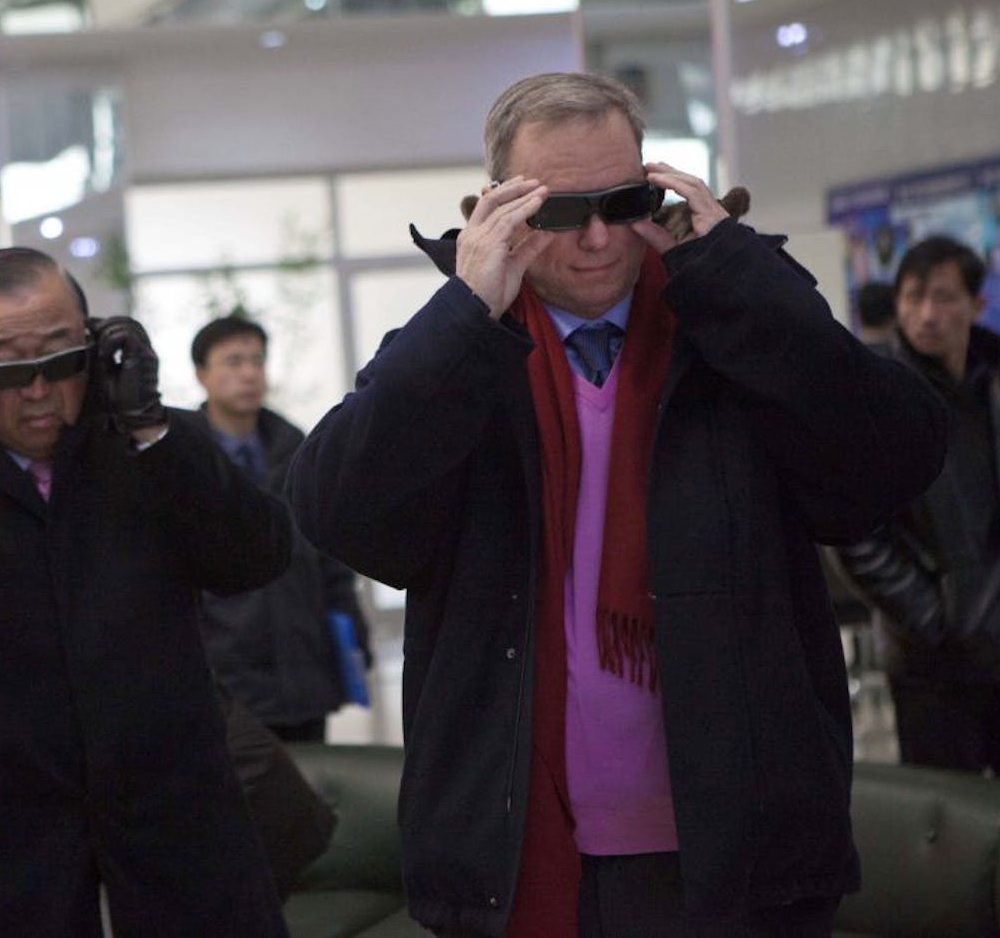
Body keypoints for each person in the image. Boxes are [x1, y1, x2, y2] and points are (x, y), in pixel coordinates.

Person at [285, 72, 949, 936]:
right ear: (500, 210)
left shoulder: (730, 322)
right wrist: (464, 314)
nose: (600, 239)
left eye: (623, 201)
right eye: (562, 213)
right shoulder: (461, 350)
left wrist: (739, 279)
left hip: (741, 850)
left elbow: (892, 463)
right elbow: (335, 510)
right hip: (517, 848)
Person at [0, 247, 292, 936]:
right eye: (8, 370)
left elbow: (256, 555)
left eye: (59, 363)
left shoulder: (156, 448)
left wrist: (150, 427)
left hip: (179, 821)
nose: (37, 392)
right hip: (2, 838)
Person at [837, 235, 1000, 784]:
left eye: (943, 297)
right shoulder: (882, 391)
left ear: (976, 305)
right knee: (951, 839)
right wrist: (928, 615)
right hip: (937, 665)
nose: (926, 314)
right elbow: (852, 529)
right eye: (913, 297)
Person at [183, 314, 370, 743]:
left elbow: (330, 560)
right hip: (224, 686)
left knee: (309, 802)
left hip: (302, 678)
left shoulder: (296, 449)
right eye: (233, 361)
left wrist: (351, 641)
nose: (249, 373)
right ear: (201, 375)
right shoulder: (184, 459)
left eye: (256, 360)